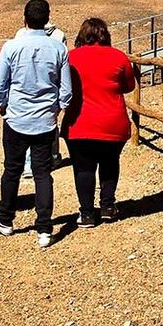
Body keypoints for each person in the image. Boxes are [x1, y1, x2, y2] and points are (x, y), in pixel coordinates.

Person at [0, 0, 72, 249]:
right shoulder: (58, 49)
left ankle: (6, 219)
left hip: (16, 117)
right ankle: (45, 228)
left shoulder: (11, 47)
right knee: (43, 174)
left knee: (11, 170)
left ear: (24, 19)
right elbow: (66, 90)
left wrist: (2, 105)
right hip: (45, 120)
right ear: (47, 20)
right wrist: (56, 109)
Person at [61, 17, 136, 227]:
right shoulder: (119, 57)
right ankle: (108, 206)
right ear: (106, 36)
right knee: (110, 163)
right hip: (113, 122)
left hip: (79, 123)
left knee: (83, 168)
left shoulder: (70, 57)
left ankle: (86, 213)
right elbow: (129, 86)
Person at [14, 17, 67, 178]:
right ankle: (51, 158)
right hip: (50, 87)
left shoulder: (21, 34)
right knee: (50, 126)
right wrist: (62, 101)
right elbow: (62, 66)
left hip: (25, 87)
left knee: (28, 126)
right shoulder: (59, 35)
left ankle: (29, 165)